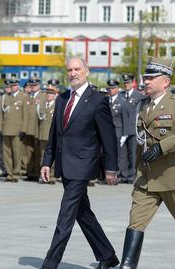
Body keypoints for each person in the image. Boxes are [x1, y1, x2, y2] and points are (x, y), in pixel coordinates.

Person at [119, 57, 175, 269]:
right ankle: (127, 265)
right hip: (146, 178)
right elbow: (141, 142)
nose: (146, 81)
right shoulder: (142, 106)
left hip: (173, 178)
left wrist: (162, 147)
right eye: (145, 78)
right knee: (135, 222)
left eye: (151, 78)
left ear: (165, 81)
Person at [40, 57, 119, 269]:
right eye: (69, 70)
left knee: (65, 215)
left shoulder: (97, 99)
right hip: (65, 165)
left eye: (77, 69)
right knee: (82, 213)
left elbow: (108, 137)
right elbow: (55, 133)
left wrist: (111, 168)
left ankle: (50, 263)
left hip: (83, 165)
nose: (73, 73)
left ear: (87, 71)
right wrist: (47, 161)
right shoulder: (62, 98)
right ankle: (107, 255)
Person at [1, 79, 28, 182]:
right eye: (11, 85)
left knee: (17, 152)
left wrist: (24, 129)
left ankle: (16, 173)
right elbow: (2, 115)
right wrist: (0, 129)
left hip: (17, 130)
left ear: (18, 86)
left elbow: (25, 115)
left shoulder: (23, 97)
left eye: (15, 85)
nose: (12, 87)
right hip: (6, 129)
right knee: (6, 153)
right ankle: (9, 173)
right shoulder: (5, 97)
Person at [120, 73, 143, 183]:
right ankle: (124, 175)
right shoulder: (121, 95)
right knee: (123, 154)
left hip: (133, 130)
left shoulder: (138, 96)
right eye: (124, 83)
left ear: (133, 83)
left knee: (133, 154)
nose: (126, 85)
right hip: (122, 130)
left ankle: (132, 175)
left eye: (128, 83)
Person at [107, 79, 129, 183]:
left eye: (113, 88)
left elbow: (126, 118)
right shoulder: (106, 101)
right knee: (109, 154)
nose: (111, 90)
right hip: (109, 133)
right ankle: (110, 174)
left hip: (119, 132)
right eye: (109, 88)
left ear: (117, 89)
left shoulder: (122, 101)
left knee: (120, 155)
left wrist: (125, 134)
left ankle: (120, 174)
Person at [37, 79, 59, 184]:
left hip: (52, 134)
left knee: (53, 156)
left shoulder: (57, 106)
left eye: (51, 94)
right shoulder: (42, 105)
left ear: (55, 95)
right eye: (48, 93)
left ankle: (52, 176)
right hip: (42, 133)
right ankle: (44, 175)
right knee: (42, 156)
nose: (49, 95)